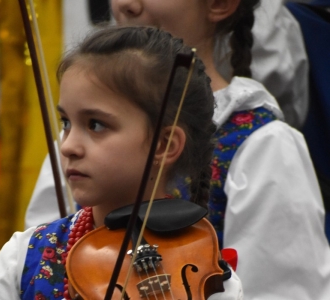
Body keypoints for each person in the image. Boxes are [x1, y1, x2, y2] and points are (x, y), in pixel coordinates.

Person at [26, 0, 330, 299]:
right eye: (69, 122)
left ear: (220, 4)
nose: (126, 5)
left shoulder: (262, 145)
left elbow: (281, 291)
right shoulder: (73, 146)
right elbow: (37, 270)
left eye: (96, 124)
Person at [0, 26, 243, 300]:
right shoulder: (22, 257)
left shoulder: (211, 281)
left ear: (164, 145)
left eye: (95, 125)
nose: (68, 146)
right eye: (66, 123)